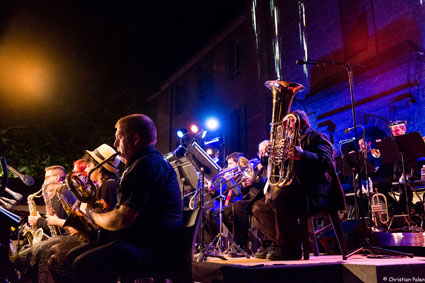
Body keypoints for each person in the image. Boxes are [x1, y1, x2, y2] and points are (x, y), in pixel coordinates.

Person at [72, 114, 183, 282]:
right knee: (71, 257)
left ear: (135, 139)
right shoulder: (148, 162)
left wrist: (93, 216)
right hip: (151, 245)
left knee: (84, 264)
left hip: (152, 251)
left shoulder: (145, 165)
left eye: (119, 138)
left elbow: (123, 219)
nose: (115, 144)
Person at [252, 110, 345, 260]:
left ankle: (291, 249)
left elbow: (326, 162)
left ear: (303, 122)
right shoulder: (286, 142)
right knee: (259, 206)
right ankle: (277, 244)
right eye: (286, 122)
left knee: (279, 197)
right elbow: (275, 165)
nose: (287, 125)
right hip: (296, 190)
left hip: (316, 191)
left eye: (291, 121)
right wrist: (267, 156)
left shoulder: (317, 137)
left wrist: (302, 155)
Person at [48, 144, 120, 282]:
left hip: (103, 240)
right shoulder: (105, 185)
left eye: (89, 164)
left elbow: (105, 215)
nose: (87, 168)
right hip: (98, 237)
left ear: (98, 167)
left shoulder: (109, 185)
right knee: (57, 254)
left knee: (63, 260)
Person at [12, 165, 77, 282]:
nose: (44, 181)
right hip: (58, 238)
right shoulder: (60, 193)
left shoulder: (63, 193)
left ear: (57, 178)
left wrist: (38, 220)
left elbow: (57, 225)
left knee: (22, 258)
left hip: (64, 239)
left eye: (47, 177)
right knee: (26, 250)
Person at [204, 152, 244, 245]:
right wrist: (213, 192)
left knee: (224, 211)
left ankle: (238, 242)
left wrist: (229, 179)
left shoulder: (242, 175)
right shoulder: (230, 178)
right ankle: (213, 243)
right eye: (228, 163)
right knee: (208, 212)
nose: (228, 166)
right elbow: (224, 199)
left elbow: (239, 192)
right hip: (228, 205)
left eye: (231, 164)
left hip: (239, 205)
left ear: (238, 164)